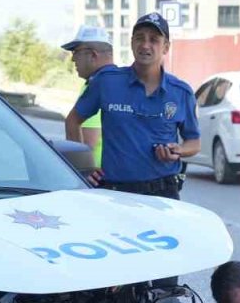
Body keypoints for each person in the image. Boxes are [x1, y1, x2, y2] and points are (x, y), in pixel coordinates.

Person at [64, 12, 200, 200]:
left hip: (164, 192)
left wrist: (177, 151)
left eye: (153, 40)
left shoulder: (181, 92)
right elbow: (73, 121)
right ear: (131, 43)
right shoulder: (106, 82)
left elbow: (194, 142)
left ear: (166, 47)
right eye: (139, 38)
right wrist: (81, 168)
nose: (145, 45)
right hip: (115, 192)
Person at [60, 25, 116, 166]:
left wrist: (81, 170)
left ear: (92, 55)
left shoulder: (97, 85)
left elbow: (88, 141)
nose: (73, 60)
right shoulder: (121, 81)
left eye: (76, 52)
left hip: (95, 178)